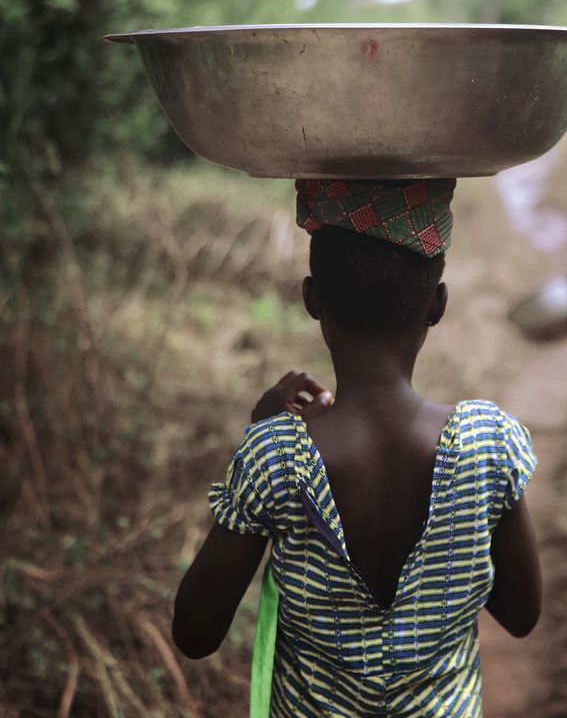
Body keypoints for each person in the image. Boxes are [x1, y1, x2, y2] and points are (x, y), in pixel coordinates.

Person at [172, 178, 542, 717]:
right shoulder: (489, 444)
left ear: (312, 299)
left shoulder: (274, 457)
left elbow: (196, 632)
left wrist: (259, 438)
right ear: (437, 304)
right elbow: (521, 614)